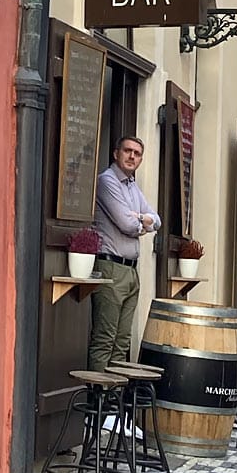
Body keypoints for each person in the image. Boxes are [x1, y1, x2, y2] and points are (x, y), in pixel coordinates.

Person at [89, 134, 161, 370]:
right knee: (105, 339)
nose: (132, 156)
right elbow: (126, 224)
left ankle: (115, 391)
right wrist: (142, 223)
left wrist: (139, 217)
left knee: (122, 341)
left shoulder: (132, 186)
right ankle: (99, 391)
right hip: (110, 267)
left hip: (130, 271)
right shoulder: (107, 181)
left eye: (137, 153)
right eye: (127, 151)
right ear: (116, 154)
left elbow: (157, 220)